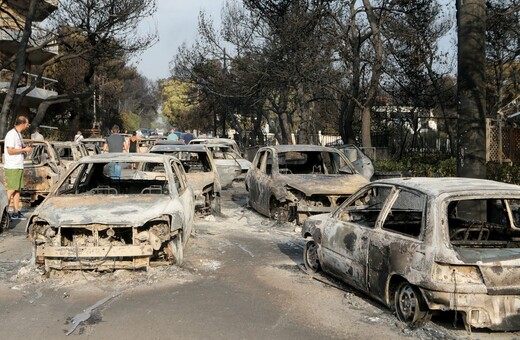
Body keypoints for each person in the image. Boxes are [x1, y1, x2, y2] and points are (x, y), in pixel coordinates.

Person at [4, 116, 32, 220]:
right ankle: (4, 213)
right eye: (27, 123)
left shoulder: (18, 134)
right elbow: (10, 151)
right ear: (23, 123)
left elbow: (19, 148)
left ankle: (16, 212)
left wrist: (25, 149)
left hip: (18, 165)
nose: (28, 125)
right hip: (12, 166)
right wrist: (24, 149)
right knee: (11, 189)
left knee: (17, 190)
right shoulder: (11, 134)